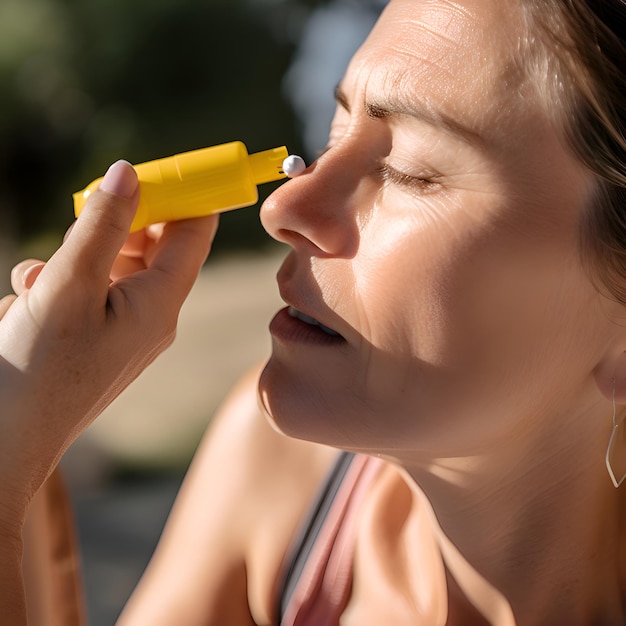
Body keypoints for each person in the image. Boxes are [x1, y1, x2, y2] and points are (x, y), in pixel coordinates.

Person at [3, 0, 626, 624]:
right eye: (333, 136)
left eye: (406, 172)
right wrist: (21, 447)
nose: (283, 209)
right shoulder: (280, 472)